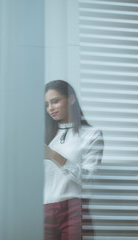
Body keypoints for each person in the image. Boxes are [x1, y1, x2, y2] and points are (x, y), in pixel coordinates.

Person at [44, 80, 104, 240]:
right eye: (47, 104)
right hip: (45, 211)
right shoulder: (47, 138)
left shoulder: (92, 134)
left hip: (74, 209)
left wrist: (54, 156)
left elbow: (89, 179)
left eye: (55, 101)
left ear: (71, 99)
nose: (51, 108)